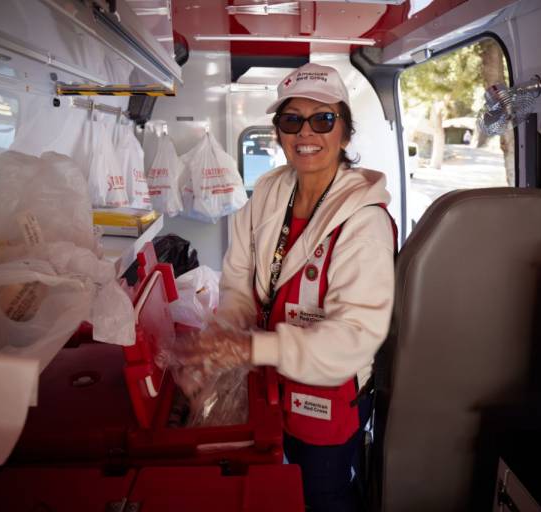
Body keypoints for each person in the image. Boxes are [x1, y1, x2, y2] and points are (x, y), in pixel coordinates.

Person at [175, 63, 395, 511]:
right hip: (267, 378)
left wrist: (247, 350)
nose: (306, 132)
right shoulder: (268, 194)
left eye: (323, 119)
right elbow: (238, 284)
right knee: (276, 483)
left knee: (322, 495)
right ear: (278, 132)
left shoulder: (364, 220)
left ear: (345, 134)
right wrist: (225, 342)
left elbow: (354, 338)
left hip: (327, 393)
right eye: (292, 120)